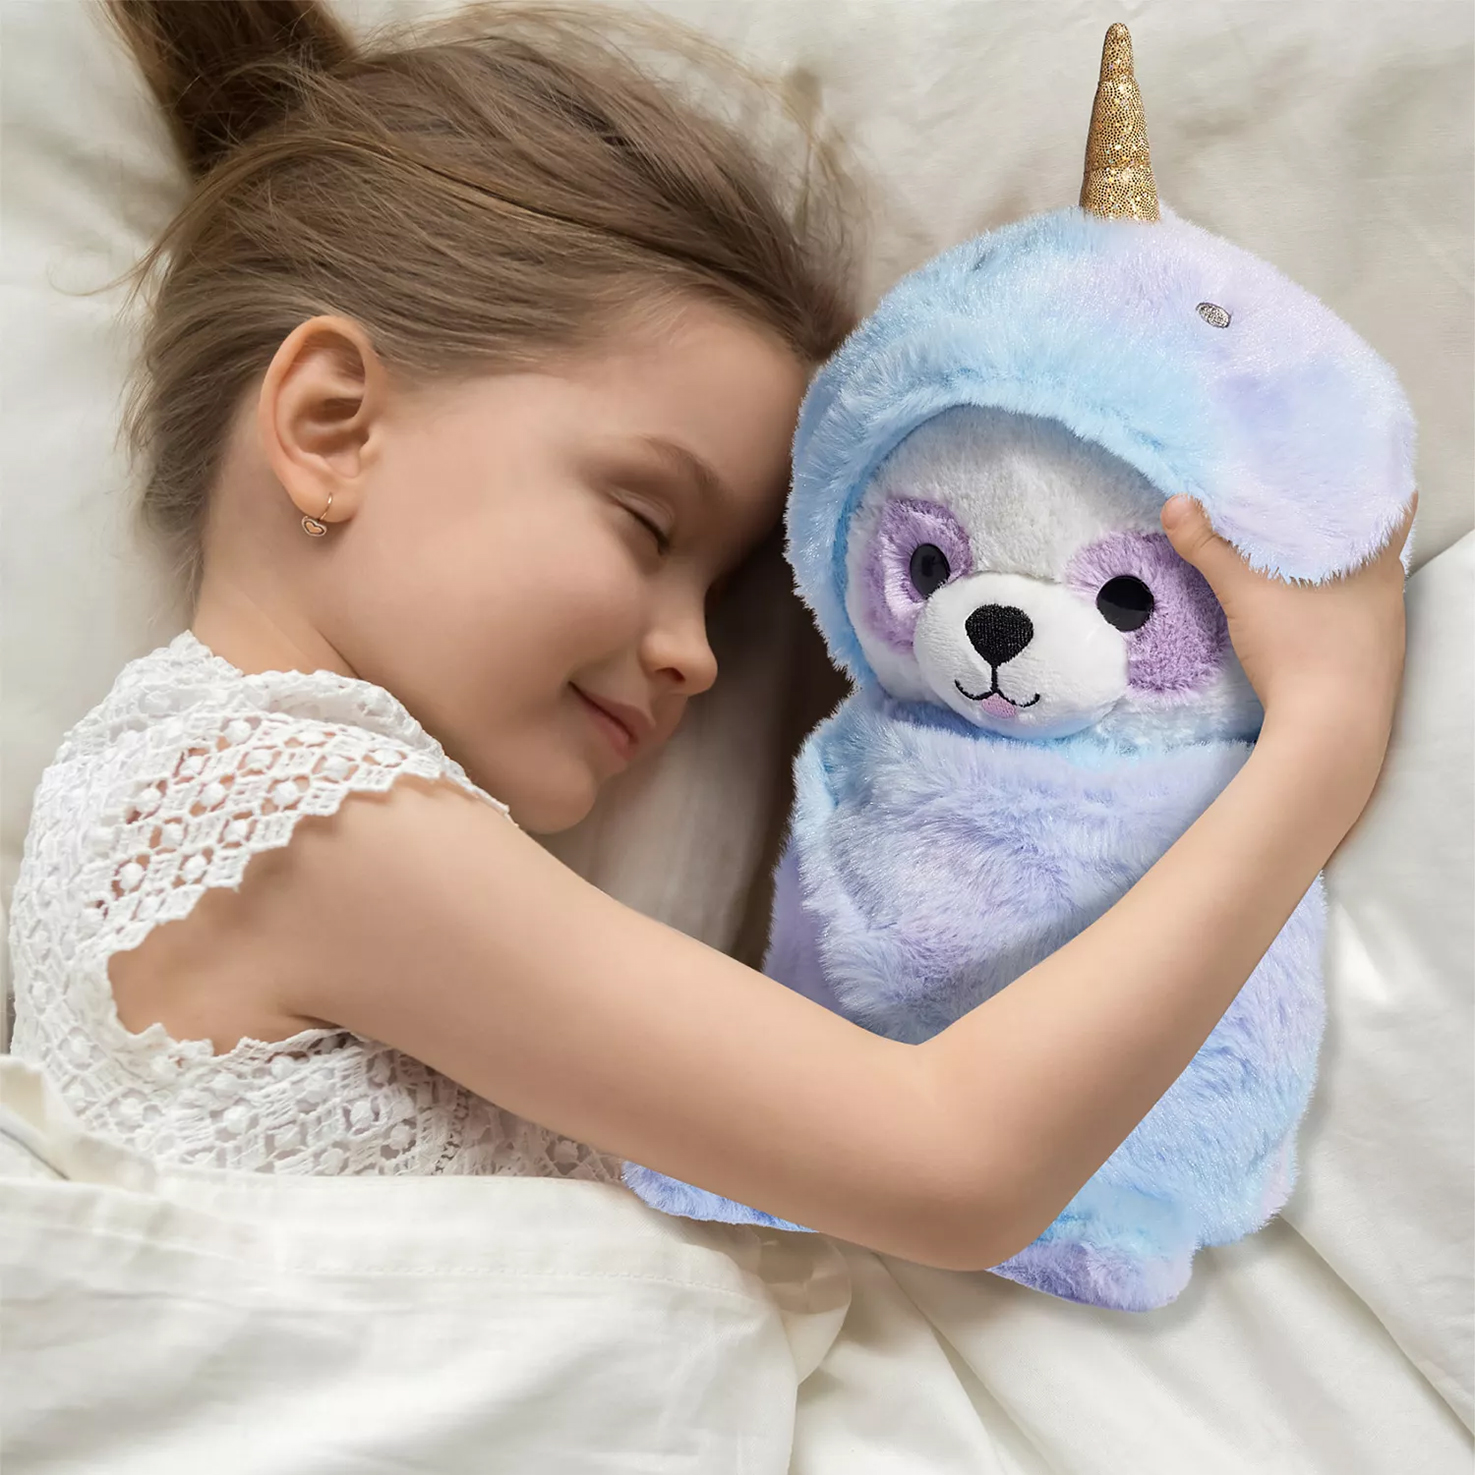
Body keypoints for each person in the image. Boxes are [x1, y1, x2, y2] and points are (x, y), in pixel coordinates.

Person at [7, 0, 1412, 1271]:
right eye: (642, 519)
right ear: (331, 427)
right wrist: (1319, 751)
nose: (696, 655)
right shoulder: (294, 816)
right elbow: (955, 1166)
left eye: (723, 585)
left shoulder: (175, 796)